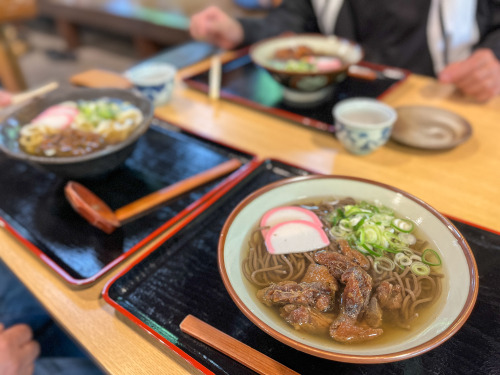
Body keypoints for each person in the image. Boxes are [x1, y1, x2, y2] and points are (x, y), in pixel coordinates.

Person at [189, 1, 500, 102]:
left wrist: (494, 56)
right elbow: (295, 20)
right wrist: (241, 31)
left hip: (441, 102)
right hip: (338, 104)